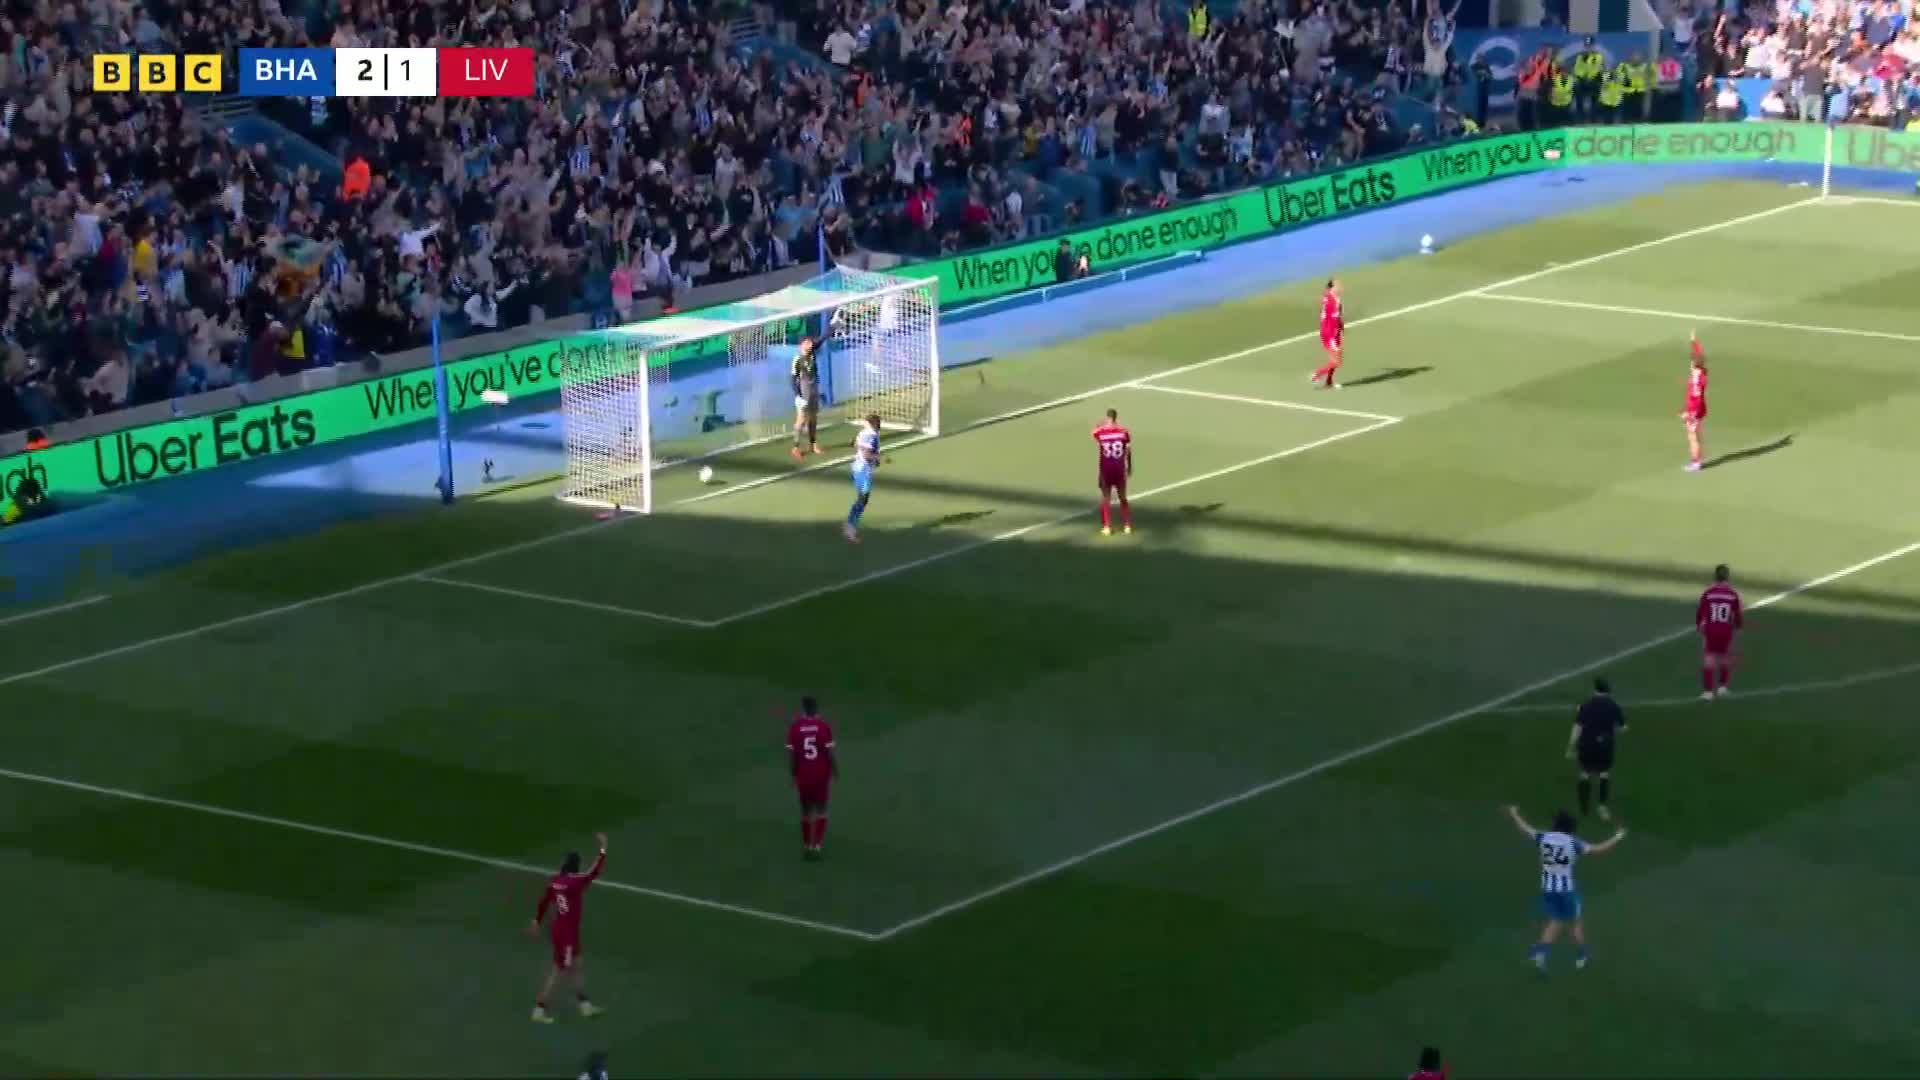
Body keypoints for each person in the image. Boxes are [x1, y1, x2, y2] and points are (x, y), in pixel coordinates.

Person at [1505, 805, 1626, 972]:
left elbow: (1524, 828)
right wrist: (1618, 837)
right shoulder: (1573, 843)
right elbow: (1599, 850)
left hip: (1548, 889)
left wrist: (1514, 813)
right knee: (1575, 922)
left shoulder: (1543, 837)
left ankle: (1540, 953)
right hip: (1567, 890)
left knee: (1556, 920)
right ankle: (1582, 954)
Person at [529, 833, 608, 1024]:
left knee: (576, 965)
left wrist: (537, 920)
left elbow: (544, 901)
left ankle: (585, 1005)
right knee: (559, 971)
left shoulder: (556, 880)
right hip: (567, 935)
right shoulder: (575, 882)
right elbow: (594, 872)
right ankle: (539, 1009)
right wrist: (603, 849)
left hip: (561, 929)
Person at [1565, 677, 1627, 820]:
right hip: (1605, 746)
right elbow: (1623, 728)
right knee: (1604, 774)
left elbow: (1577, 728)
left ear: (1595, 690)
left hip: (1586, 746)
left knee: (1584, 774)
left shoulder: (1585, 706)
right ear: (1608, 691)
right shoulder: (1614, 706)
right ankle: (1602, 807)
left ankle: (1584, 808)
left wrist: (1571, 747)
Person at [786, 696, 838, 859]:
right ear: (816, 709)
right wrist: (835, 770)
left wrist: (793, 775)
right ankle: (817, 845)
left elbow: (793, 756)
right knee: (822, 809)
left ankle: (807, 845)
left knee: (806, 811)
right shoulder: (823, 726)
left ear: (803, 709)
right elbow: (829, 753)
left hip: (803, 775)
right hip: (821, 774)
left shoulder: (795, 728)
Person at [1697, 563, 1744, 700]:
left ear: (1715, 577)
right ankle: (1723, 687)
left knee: (1709, 659)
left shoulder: (1708, 593)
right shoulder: (1732, 594)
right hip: (1726, 629)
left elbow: (1700, 612)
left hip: (1711, 629)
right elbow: (1737, 613)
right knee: (1725, 657)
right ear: (1728, 577)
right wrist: (1739, 627)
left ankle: (1708, 692)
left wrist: (1699, 626)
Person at [1093, 408, 1134, 536]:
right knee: (1123, 497)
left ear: (1107, 417)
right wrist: (1129, 467)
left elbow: (1094, 431)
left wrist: (1102, 423)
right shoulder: (1124, 432)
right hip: (1119, 469)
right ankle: (1127, 526)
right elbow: (1128, 450)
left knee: (1106, 498)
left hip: (1106, 470)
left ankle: (1107, 527)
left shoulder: (1101, 433)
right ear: (1116, 417)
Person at [844, 412, 882, 543]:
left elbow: (854, 444)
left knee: (862, 498)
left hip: (857, 467)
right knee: (863, 499)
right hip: (863, 470)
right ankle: (850, 528)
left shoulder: (863, 433)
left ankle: (850, 526)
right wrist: (879, 457)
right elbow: (867, 454)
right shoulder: (872, 435)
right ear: (875, 424)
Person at [791, 334, 823, 460]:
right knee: (802, 419)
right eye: (808, 342)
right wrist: (797, 396)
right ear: (802, 344)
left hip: (814, 388)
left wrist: (833, 327)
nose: (811, 344)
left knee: (813, 418)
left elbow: (821, 340)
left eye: (811, 342)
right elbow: (792, 379)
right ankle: (795, 447)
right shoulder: (798, 359)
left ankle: (813, 444)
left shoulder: (812, 354)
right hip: (804, 390)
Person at [1310, 278, 1344, 389]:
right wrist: (1337, 329)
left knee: (1333, 360)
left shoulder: (1329, 297)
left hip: (1333, 331)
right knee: (1337, 362)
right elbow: (1335, 316)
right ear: (1332, 287)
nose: (1340, 286)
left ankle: (1328, 382)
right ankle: (1317, 374)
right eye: (1337, 285)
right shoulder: (1332, 300)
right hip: (1330, 333)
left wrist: (1341, 328)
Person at [1681, 331, 1708, 471]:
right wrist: (1694, 341)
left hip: (1695, 411)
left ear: (1693, 364)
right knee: (1694, 435)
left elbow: (1695, 399)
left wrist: (1690, 414)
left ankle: (1696, 463)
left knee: (1693, 437)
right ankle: (1696, 461)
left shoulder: (1696, 379)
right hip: (1699, 408)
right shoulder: (1701, 372)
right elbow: (1700, 353)